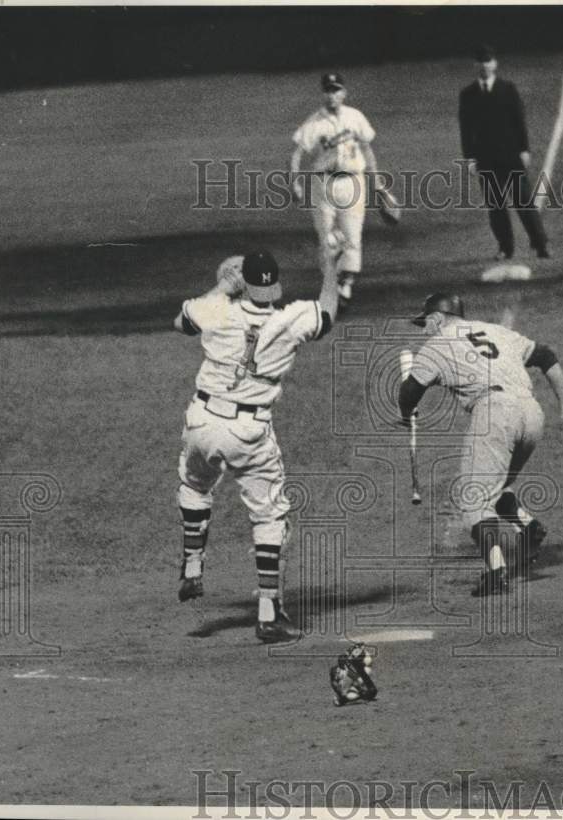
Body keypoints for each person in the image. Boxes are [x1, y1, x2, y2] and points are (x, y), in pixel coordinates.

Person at [173, 249, 338, 643]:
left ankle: (193, 564)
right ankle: (268, 613)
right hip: (249, 430)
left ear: (244, 283)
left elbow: (180, 323)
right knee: (269, 517)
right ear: (275, 286)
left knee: (195, 486)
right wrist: (329, 267)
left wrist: (223, 288)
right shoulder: (291, 318)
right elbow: (328, 312)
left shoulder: (216, 309)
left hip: (202, 419)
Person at [398, 293, 563, 595]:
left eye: (424, 322)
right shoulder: (496, 330)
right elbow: (545, 355)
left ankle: (497, 572)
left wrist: (405, 413)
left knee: (474, 498)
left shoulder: (436, 344)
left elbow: (410, 391)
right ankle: (529, 527)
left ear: (438, 318)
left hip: (495, 413)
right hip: (532, 414)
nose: (423, 330)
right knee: (495, 485)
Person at [290, 72, 378, 309]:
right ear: (323, 93)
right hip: (323, 184)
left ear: (344, 93)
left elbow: (367, 150)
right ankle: (332, 282)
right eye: (328, 90)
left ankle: (346, 284)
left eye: (336, 90)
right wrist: (295, 182)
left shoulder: (355, 117)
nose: (332, 95)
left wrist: (377, 182)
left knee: (352, 236)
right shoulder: (314, 122)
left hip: (353, 182)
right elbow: (298, 153)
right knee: (326, 236)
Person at [458, 44, 549, 262]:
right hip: (486, 159)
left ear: (495, 64)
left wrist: (524, 149)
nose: (484, 66)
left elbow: (519, 121)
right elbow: (465, 129)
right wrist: (469, 157)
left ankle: (540, 244)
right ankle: (505, 248)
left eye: (488, 61)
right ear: (475, 65)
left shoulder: (508, 89)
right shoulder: (467, 95)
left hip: (510, 157)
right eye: (480, 62)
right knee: (496, 207)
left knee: (524, 203)